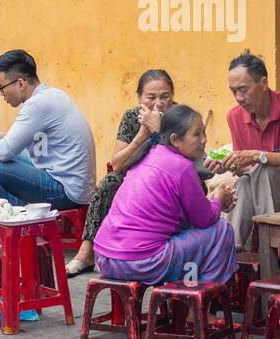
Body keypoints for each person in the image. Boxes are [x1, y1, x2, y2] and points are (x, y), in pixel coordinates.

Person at [93, 105, 238, 286]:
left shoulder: (148, 155)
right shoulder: (182, 166)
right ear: (175, 140)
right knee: (222, 230)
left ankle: (184, 298)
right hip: (140, 262)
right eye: (197, 134)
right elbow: (205, 220)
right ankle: (200, 302)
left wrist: (211, 202)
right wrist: (218, 199)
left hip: (105, 257)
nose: (204, 140)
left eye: (204, 133)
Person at [66, 69, 176, 277]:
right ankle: (86, 252)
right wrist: (142, 135)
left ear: (173, 96)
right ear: (140, 98)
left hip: (166, 183)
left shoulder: (181, 117)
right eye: (151, 98)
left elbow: (185, 161)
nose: (158, 104)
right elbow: (117, 164)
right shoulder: (132, 117)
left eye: (165, 97)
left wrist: (161, 131)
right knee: (110, 181)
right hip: (134, 179)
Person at [0, 49, 96, 211]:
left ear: (21, 83)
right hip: (73, 184)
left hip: (66, 191)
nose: (2, 94)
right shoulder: (51, 95)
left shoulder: (37, 104)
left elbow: (5, 150)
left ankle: (16, 219)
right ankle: (22, 215)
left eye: (1, 87)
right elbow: (28, 139)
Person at [207, 51, 280, 249]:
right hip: (256, 193)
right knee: (240, 184)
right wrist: (225, 166)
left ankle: (269, 246)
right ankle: (229, 250)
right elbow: (243, 170)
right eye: (233, 91)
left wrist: (259, 156)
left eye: (243, 89)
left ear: (264, 83)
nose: (238, 98)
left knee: (264, 168)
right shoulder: (234, 116)